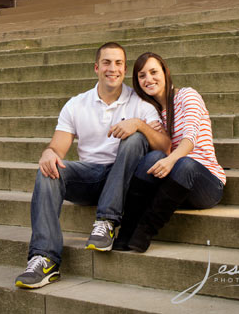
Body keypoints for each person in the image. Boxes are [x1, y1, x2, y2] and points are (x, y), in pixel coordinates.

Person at [15, 42, 170, 289]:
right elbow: (58, 147)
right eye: (107, 63)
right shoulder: (76, 104)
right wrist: (48, 153)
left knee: (137, 137)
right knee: (48, 171)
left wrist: (139, 125)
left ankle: (106, 222)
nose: (113, 68)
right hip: (92, 178)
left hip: (126, 179)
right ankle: (44, 259)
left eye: (118, 63)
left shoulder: (140, 103)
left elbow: (165, 146)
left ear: (125, 68)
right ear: (96, 68)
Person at [112, 52, 225, 252]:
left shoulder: (187, 96)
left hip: (206, 185)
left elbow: (190, 138)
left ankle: (145, 231)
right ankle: (127, 230)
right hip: (174, 186)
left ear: (165, 72)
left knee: (184, 163)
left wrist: (171, 160)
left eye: (154, 72)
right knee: (153, 157)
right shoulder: (151, 112)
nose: (149, 79)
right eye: (142, 75)